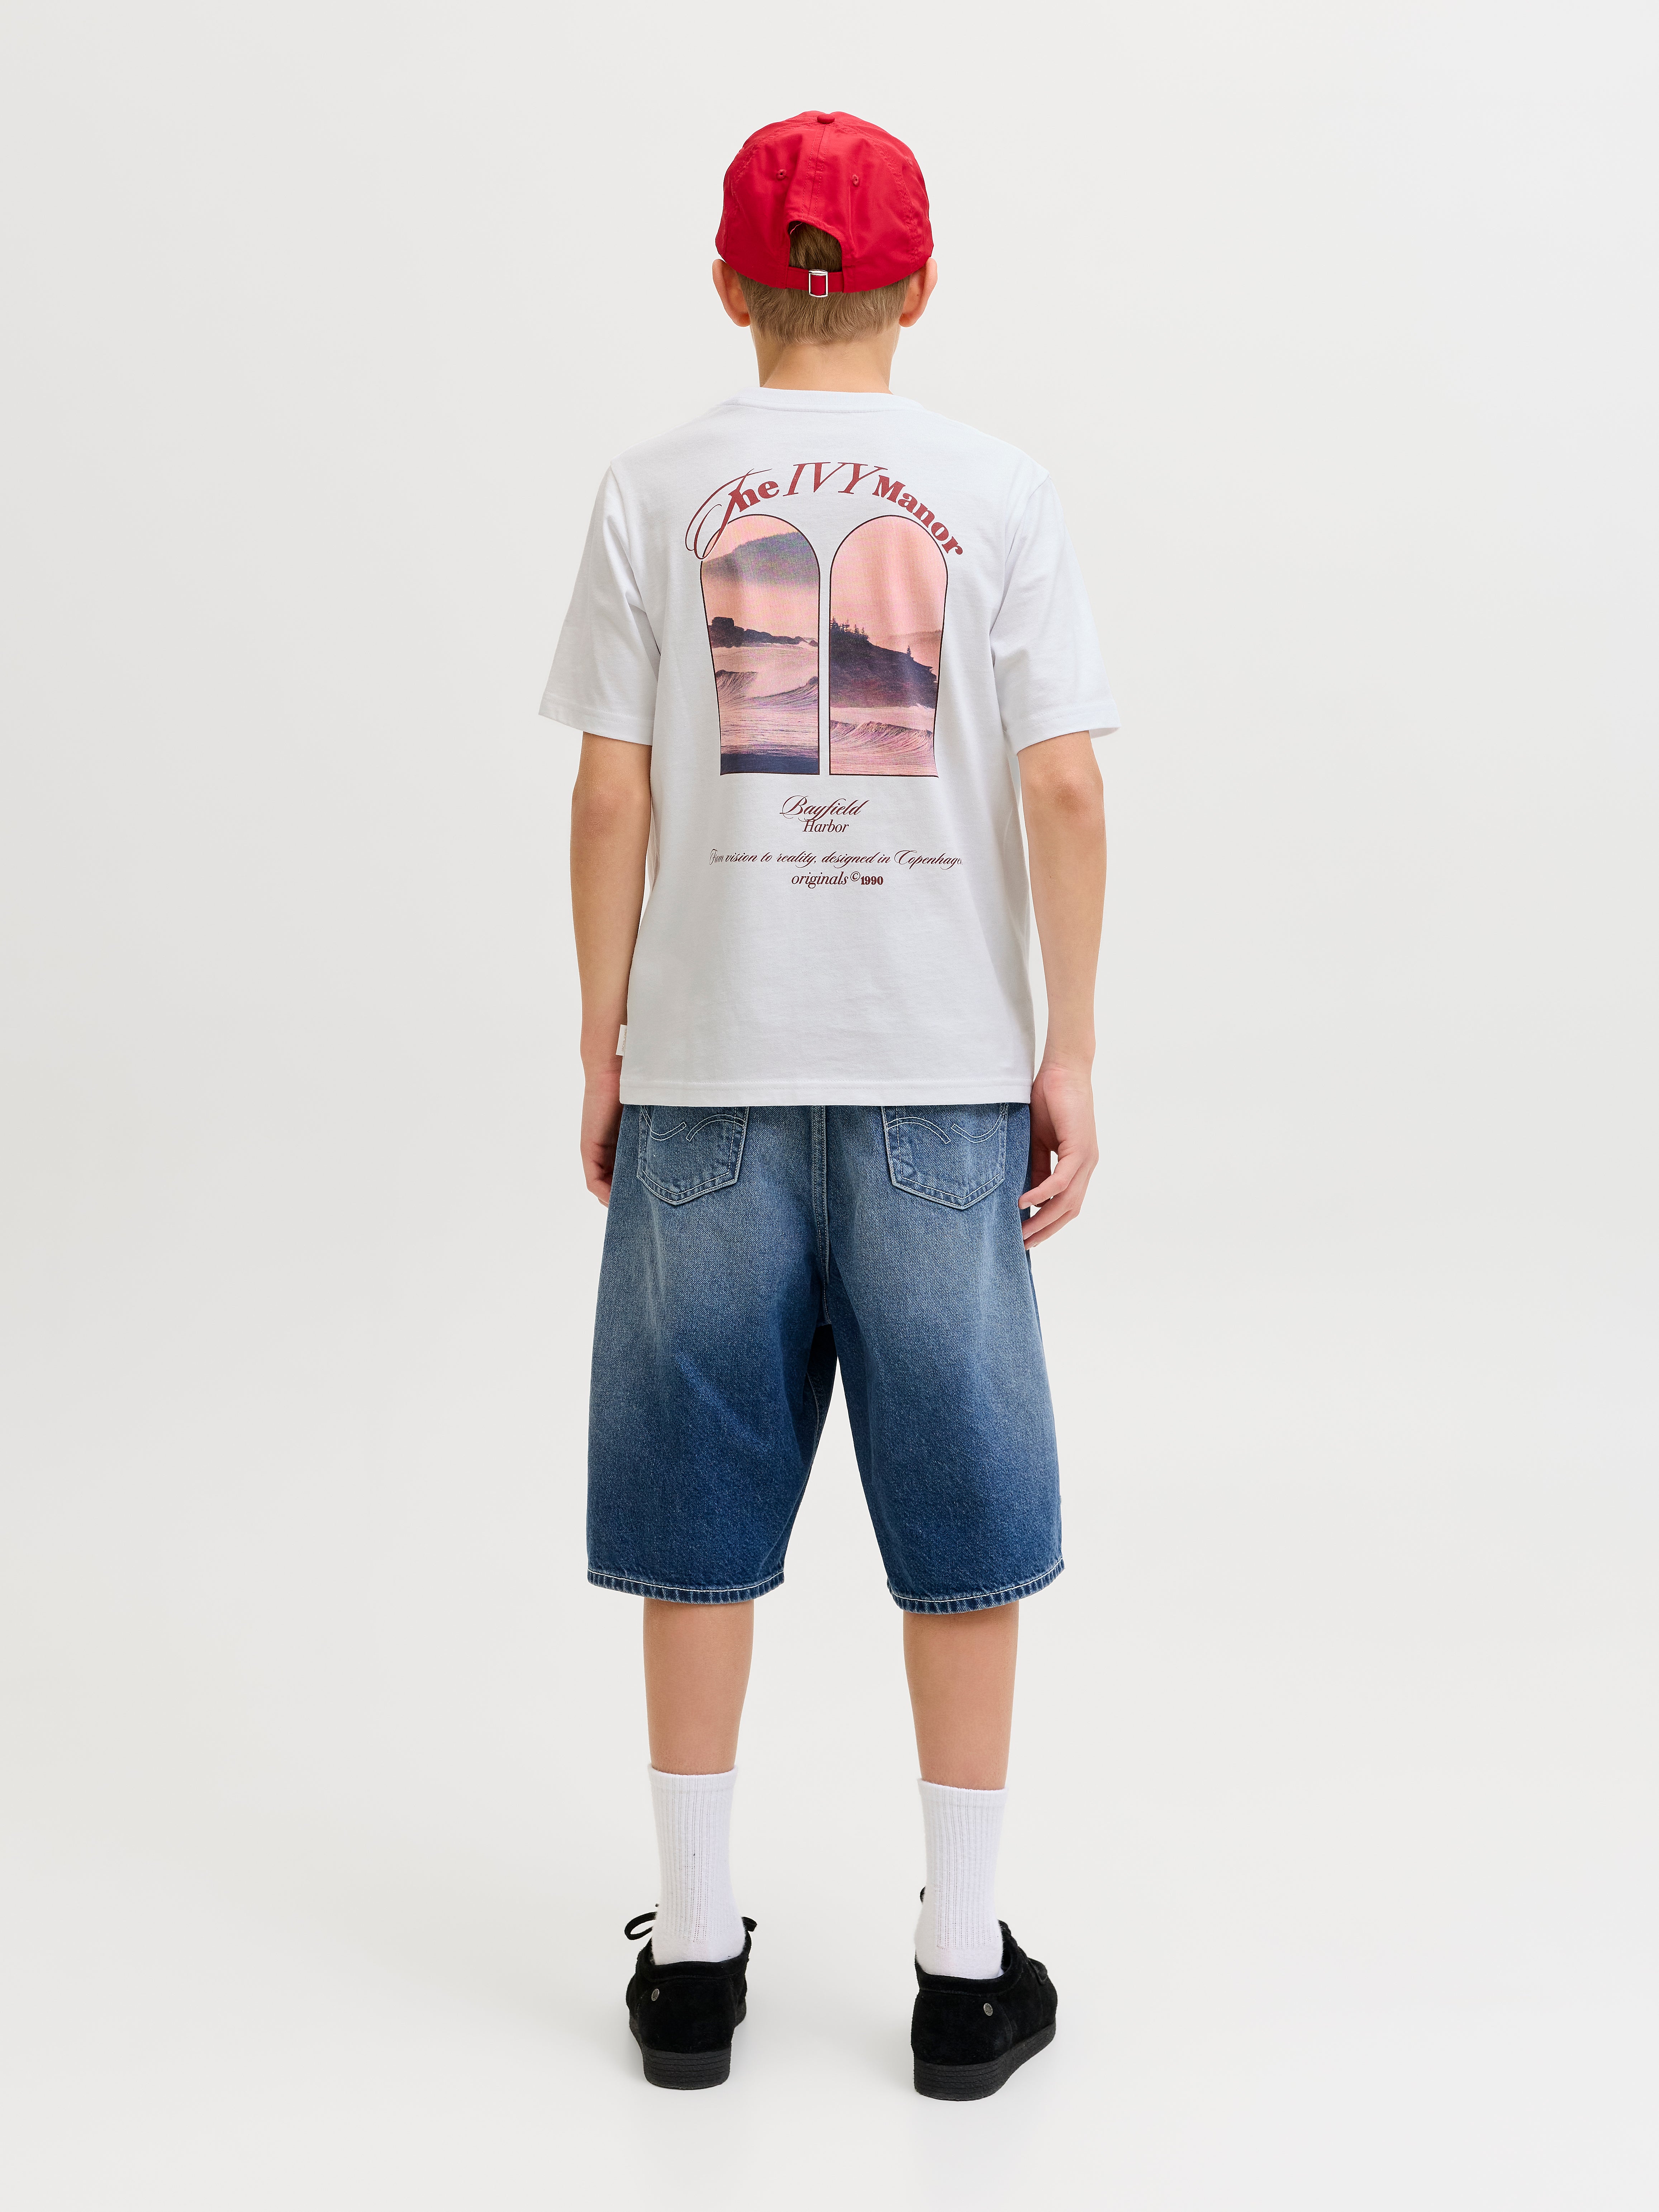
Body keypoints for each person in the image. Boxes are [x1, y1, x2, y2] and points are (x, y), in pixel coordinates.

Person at [542, 109, 1117, 2099]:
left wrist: (607, 1038)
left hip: (709, 1071)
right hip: (937, 1077)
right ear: (920, 282)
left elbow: (608, 787)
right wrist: (1069, 1047)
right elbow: (1065, 785)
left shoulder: (650, 487)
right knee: (960, 1515)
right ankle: (961, 1970)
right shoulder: (1000, 491)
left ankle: (695, 1959)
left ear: (729, 284)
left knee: (695, 1517)